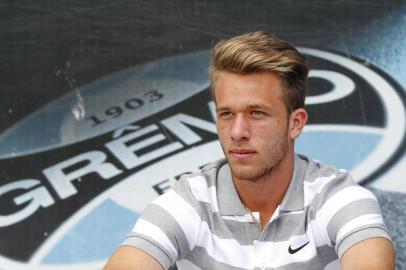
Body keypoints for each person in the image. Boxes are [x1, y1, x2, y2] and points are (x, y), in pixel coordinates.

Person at [104, 31, 395, 270]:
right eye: (226, 114)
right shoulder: (190, 201)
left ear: (295, 124)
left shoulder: (337, 197)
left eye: (256, 114)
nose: (237, 132)